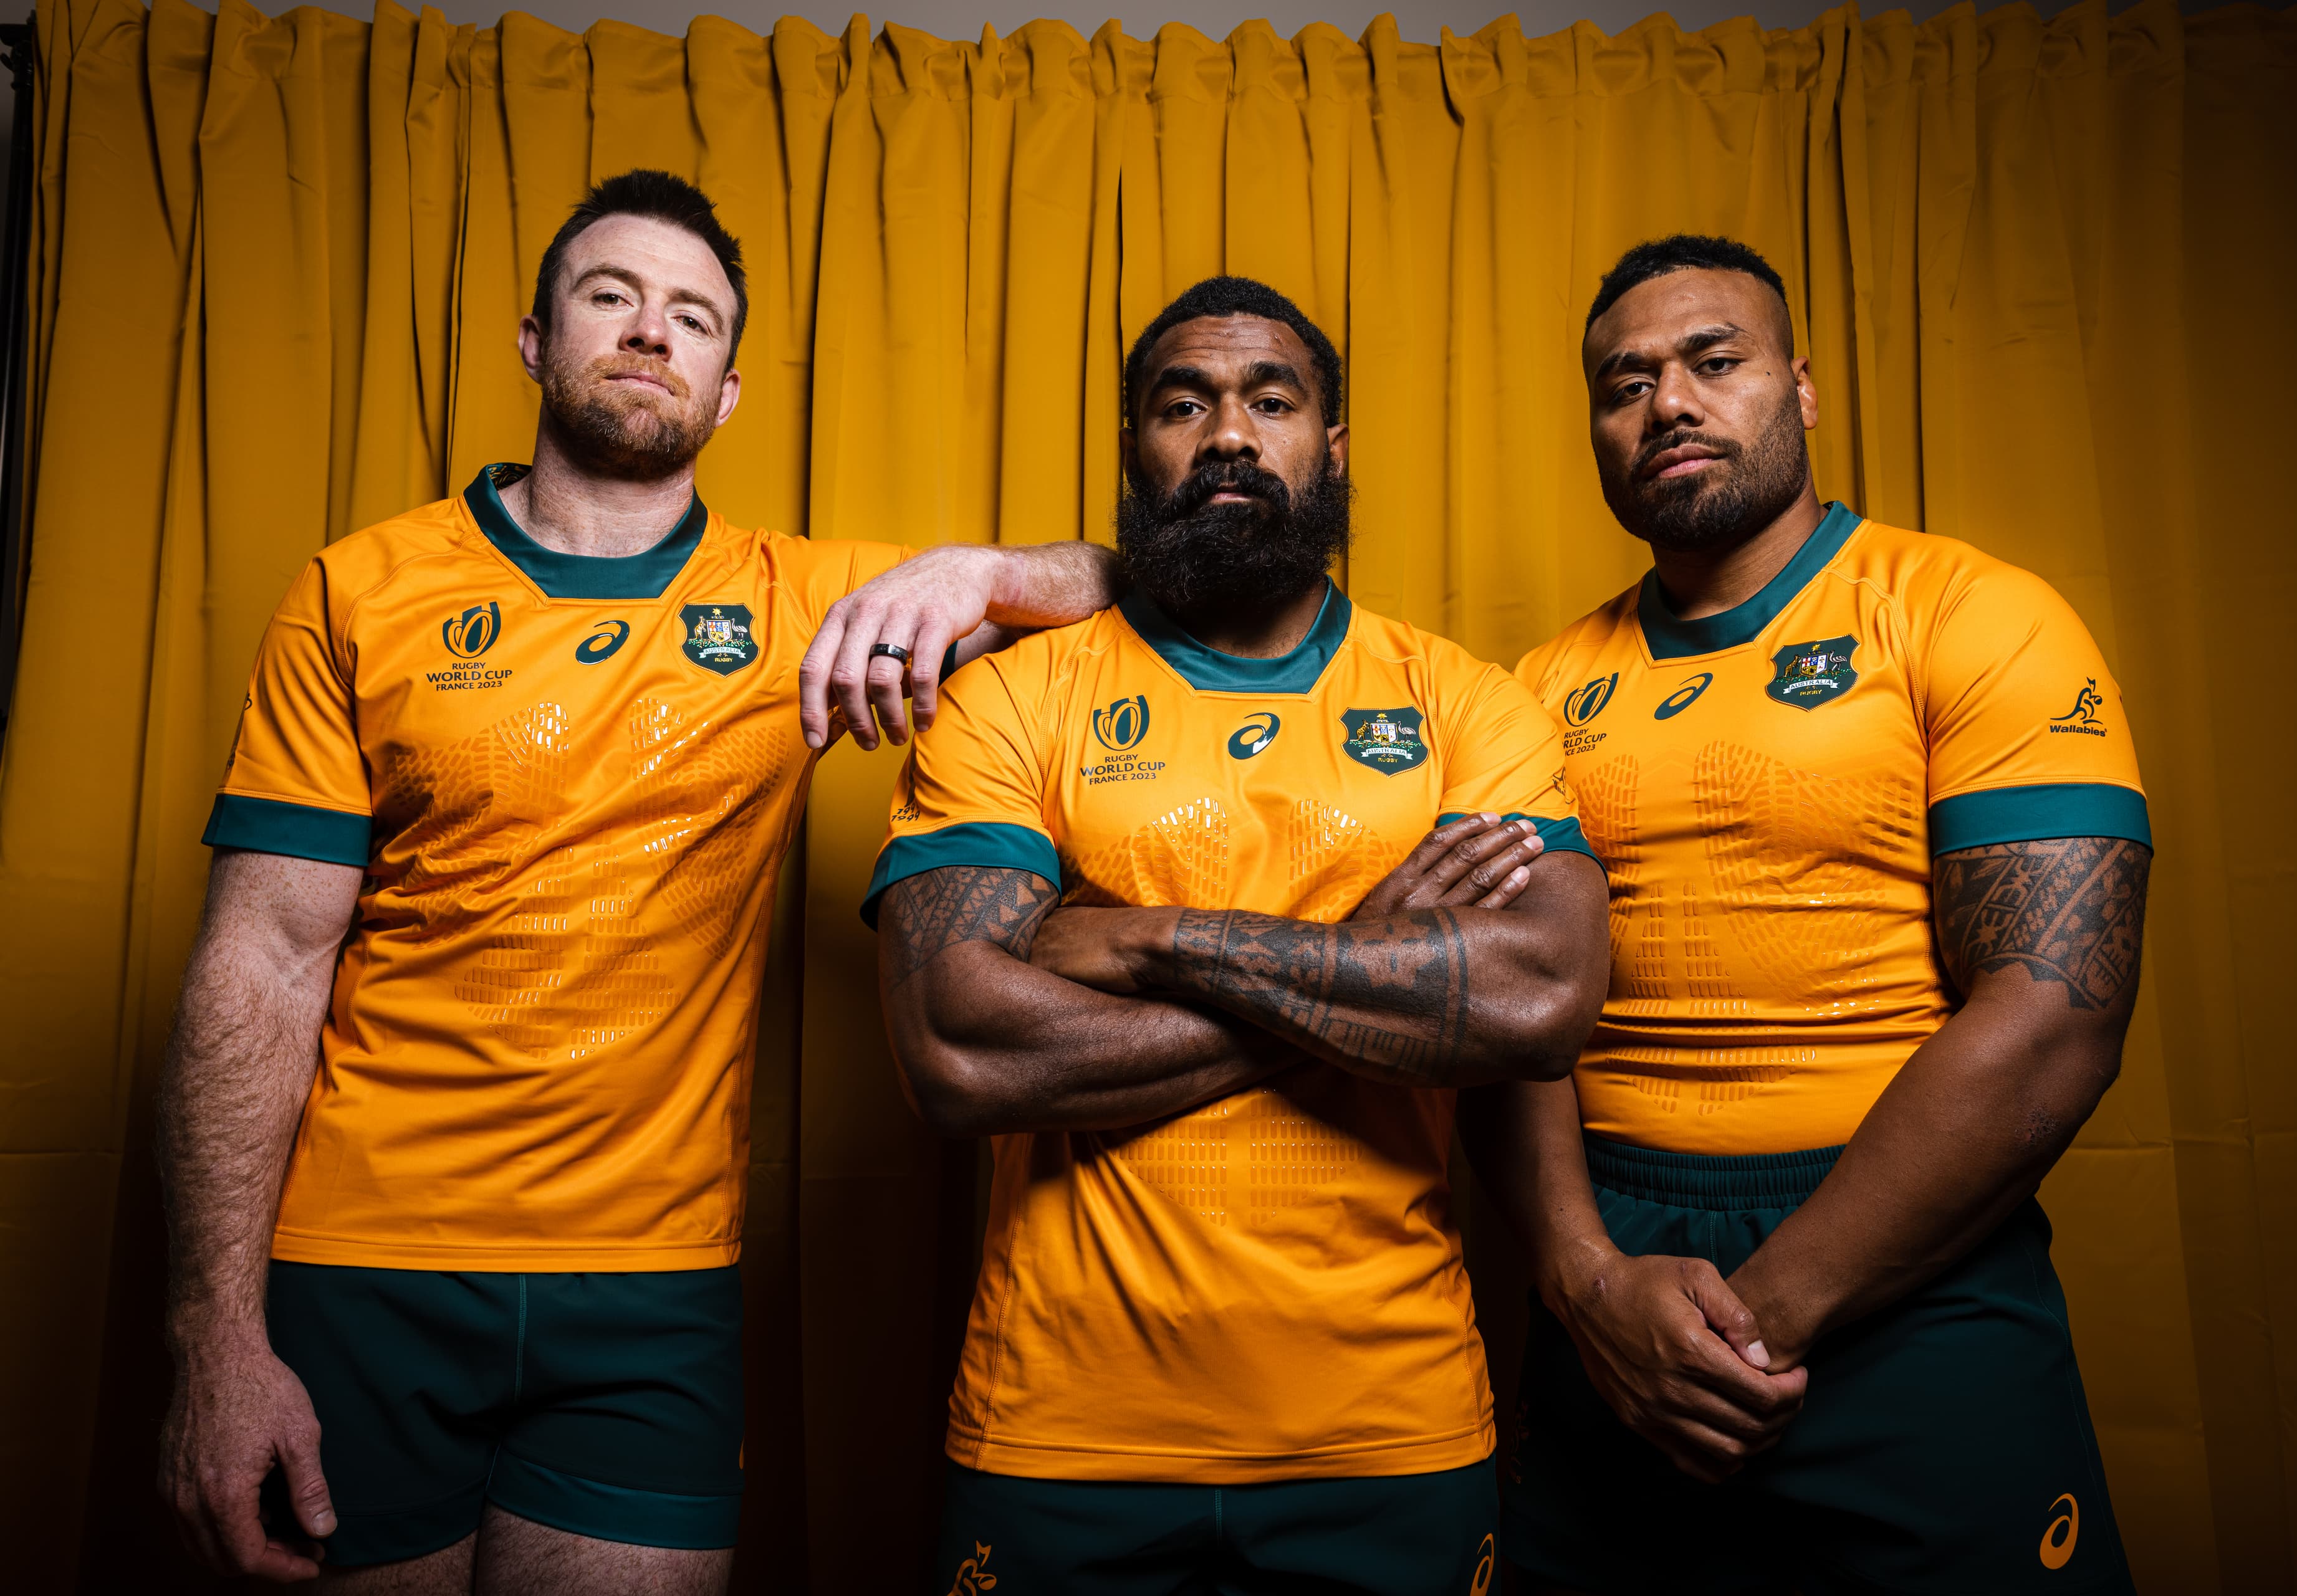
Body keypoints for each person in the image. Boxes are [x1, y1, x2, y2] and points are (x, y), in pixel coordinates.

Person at [153, 169, 1118, 1594]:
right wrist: (214, 1339)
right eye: (612, 298)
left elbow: (1120, 584)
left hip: (654, 1291)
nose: (652, 333)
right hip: (365, 1269)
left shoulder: (811, 605)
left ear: (729, 390)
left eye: (694, 317)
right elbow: (261, 962)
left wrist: (976, 571)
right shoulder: (359, 591)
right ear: (538, 341)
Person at [868, 275, 1612, 1594]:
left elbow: (1543, 999)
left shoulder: (1465, 705)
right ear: (1133, 454)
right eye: (1183, 404)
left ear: (1330, 451)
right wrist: (1374, 962)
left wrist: (1144, 939)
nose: (1228, 434)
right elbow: (957, 1050)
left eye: (1273, 402)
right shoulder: (1011, 702)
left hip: (1392, 1427)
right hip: (1060, 1432)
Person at [1484, 234, 2154, 1594]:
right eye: (1624, 384)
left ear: (1798, 388)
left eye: (1711, 363)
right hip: (1612, 1271)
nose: (1666, 402)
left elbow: (2055, 1018)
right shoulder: (1536, 689)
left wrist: (1753, 1328)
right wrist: (1583, 1282)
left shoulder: (1975, 615)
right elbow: (1507, 1015)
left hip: (1910, 1258)